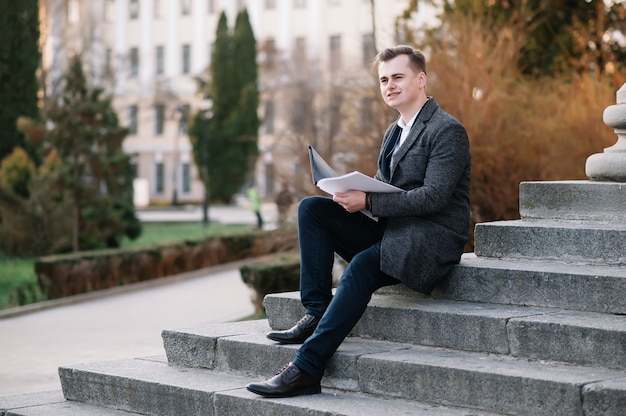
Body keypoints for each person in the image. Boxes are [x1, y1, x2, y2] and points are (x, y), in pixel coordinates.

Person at [246, 45, 471, 398]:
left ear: (421, 79)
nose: (389, 85)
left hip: (431, 239)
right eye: (384, 79)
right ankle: (317, 310)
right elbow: (386, 189)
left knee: (363, 266)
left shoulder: (446, 130)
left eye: (398, 77)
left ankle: (306, 369)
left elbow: (434, 197)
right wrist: (352, 196)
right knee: (312, 210)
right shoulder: (393, 131)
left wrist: (368, 199)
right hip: (396, 228)